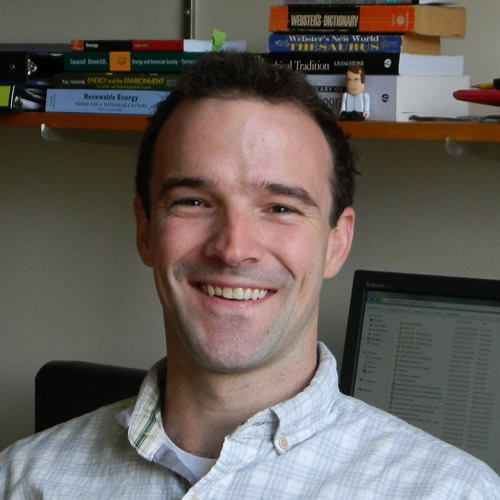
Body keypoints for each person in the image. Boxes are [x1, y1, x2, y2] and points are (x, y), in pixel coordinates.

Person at [0, 52, 498, 499]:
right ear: (146, 230)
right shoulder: (22, 479)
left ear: (337, 243)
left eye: (280, 207)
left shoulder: (450, 492)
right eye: (193, 202)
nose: (234, 249)